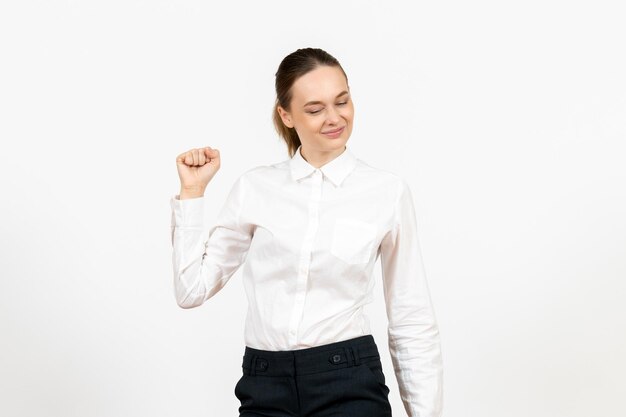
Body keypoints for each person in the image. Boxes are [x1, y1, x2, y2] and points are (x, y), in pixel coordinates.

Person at [170, 47, 443, 417]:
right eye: (315, 109)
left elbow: (411, 315)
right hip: (264, 384)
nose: (334, 118)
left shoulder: (385, 192)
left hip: (349, 381)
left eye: (342, 102)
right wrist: (192, 194)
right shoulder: (255, 188)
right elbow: (191, 290)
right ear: (286, 115)